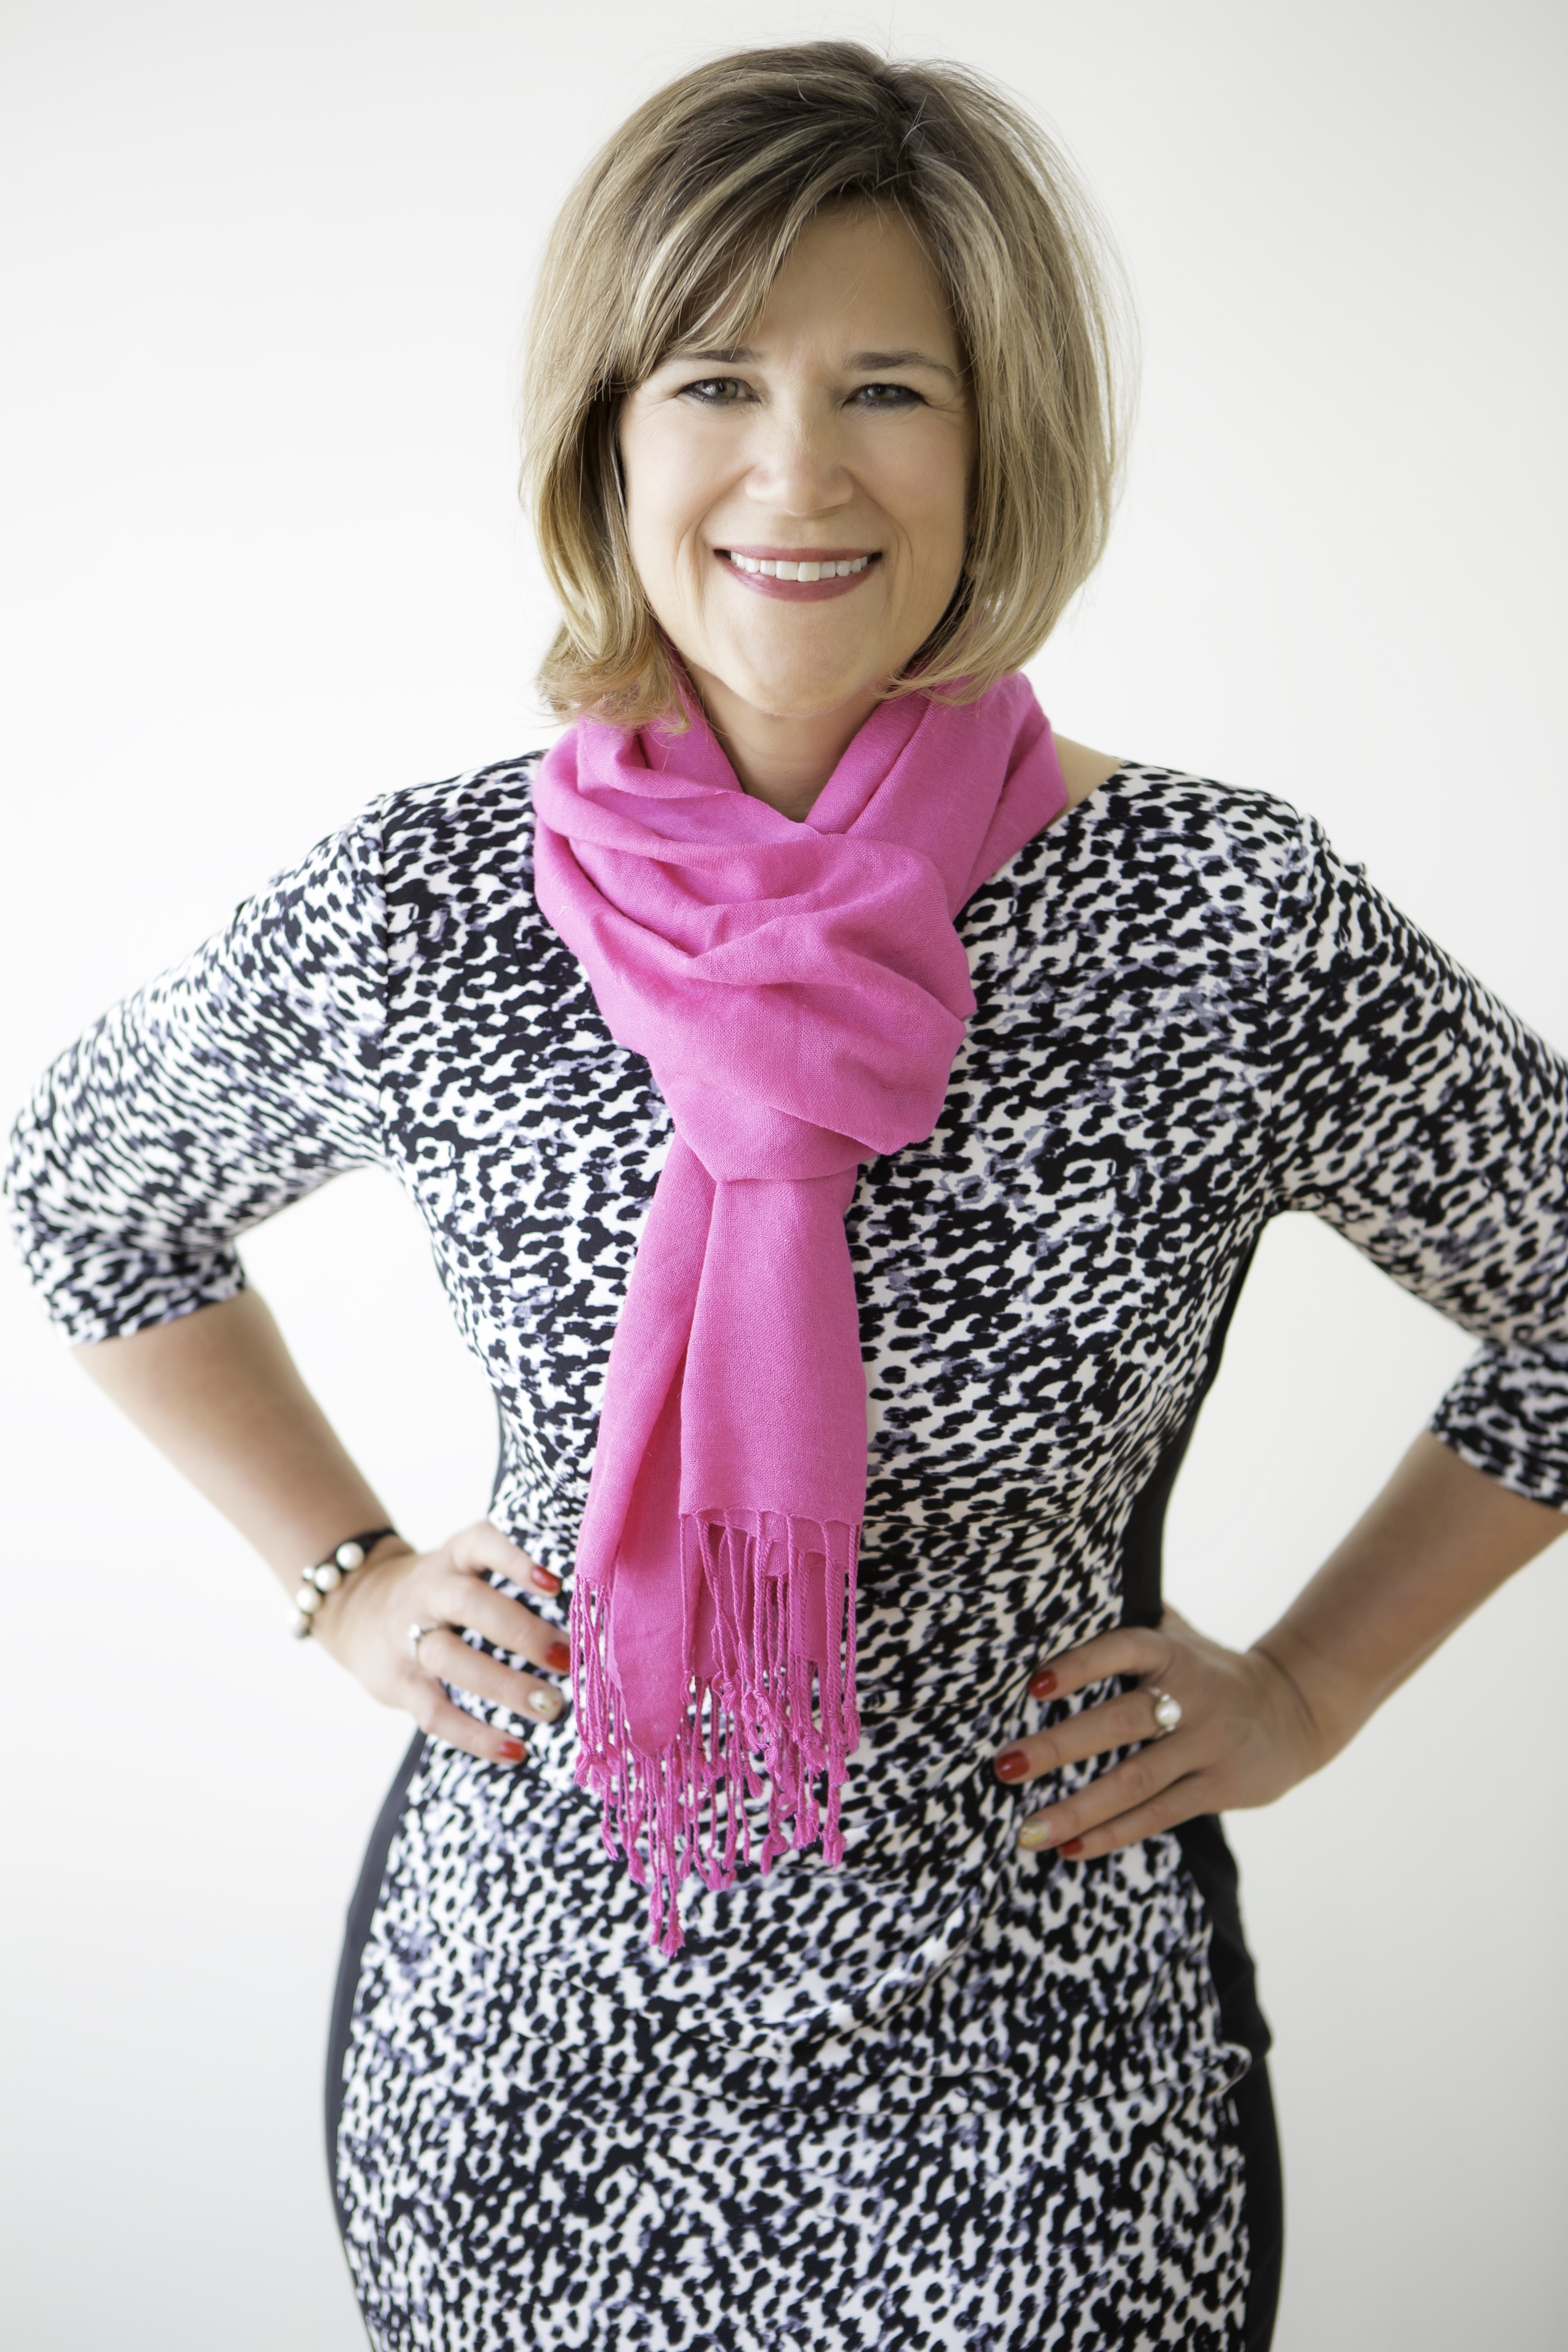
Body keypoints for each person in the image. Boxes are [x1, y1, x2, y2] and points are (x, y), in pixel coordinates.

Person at [7, 38, 1566, 2352]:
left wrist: (1315, 1687)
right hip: (523, 2071)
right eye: (716, 381)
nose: (796, 471)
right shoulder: (433, 907)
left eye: (890, 390)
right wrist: (341, 1577)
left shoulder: (1220, 922)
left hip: (1044, 2088)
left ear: (1004, 436)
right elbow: (85, 1192)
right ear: (609, 435)